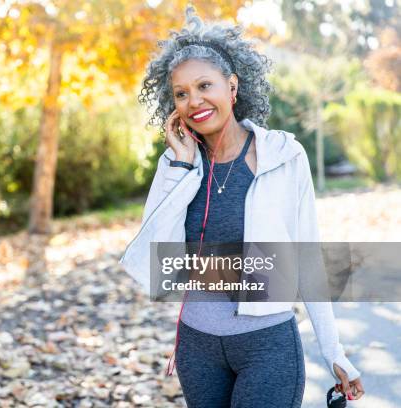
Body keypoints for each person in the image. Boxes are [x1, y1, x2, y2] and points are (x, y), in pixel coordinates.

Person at [119, 5, 365, 407]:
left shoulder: (284, 155)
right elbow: (159, 263)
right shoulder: (175, 164)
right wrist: (181, 169)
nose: (193, 101)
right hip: (197, 349)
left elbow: (306, 257)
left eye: (205, 86)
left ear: (232, 87)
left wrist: (333, 351)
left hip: (267, 346)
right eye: (181, 94)